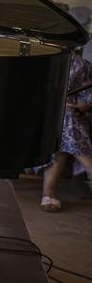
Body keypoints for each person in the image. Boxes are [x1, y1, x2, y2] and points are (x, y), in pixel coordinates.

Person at [41, 54, 92, 212]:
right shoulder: (47, 58)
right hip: (49, 116)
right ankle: (48, 191)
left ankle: (48, 193)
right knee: (58, 150)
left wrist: (77, 107)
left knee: (66, 129)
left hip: (73, 118)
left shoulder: (82, 64)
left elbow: (88, 97)